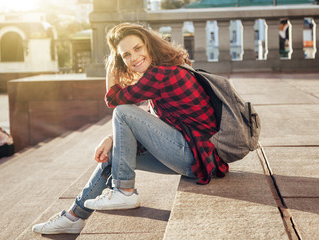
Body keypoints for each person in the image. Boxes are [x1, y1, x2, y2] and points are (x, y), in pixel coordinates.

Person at [32, 22, 229, 235]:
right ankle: (73, 217)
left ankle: (124, 191)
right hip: (196, 156)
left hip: (195, 155)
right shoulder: (164, 72)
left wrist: (110, 69)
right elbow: (149, 123)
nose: (133, 58)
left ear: (150, 46)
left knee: (122, 112)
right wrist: (112, 138)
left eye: (137, 49)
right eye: (125, 55)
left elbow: (116, 101)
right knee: (114, 156)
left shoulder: (162, 74)